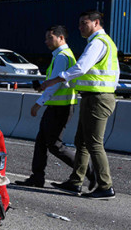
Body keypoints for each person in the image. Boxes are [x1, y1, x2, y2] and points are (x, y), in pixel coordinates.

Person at [41, 10, 119, 199]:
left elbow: (82, 67)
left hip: (99, 98)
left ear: (96, 23)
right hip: (92, 97)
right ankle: (75, 182)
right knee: (81, 142)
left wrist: (56, 80)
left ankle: (105, 185)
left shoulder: (98, 43)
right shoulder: (100, 42)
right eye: (80, 24)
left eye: (84, 23)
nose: (80, 27)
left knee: (93, 143)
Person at [15, 25, 95, 188]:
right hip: (58, 106)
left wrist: (38, 103)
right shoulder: (61, 55)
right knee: (42, 142)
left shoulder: (62, 57)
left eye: (49, 38)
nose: (46, 41)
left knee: (55, 145)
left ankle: (90, 172)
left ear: (61, 38)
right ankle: (37, 177)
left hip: (61, 107)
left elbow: (55, 84)